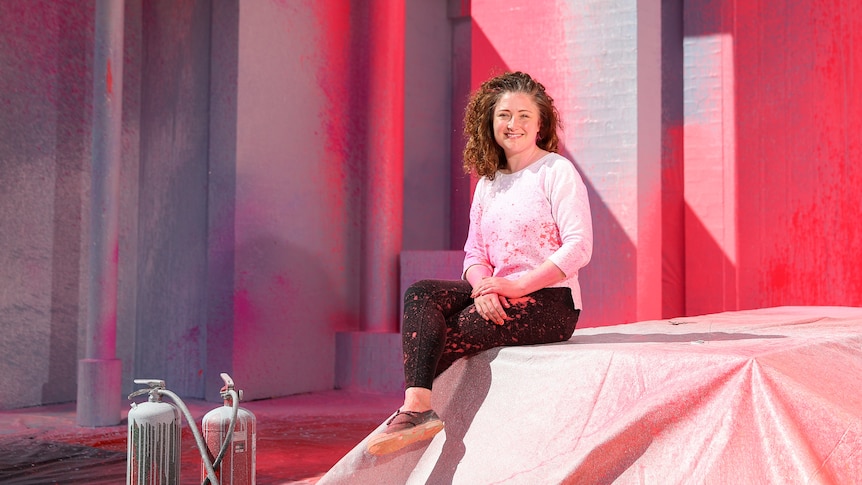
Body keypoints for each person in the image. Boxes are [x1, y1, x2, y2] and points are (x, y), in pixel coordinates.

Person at [367, 71, 593, 456]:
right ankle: (418, 408)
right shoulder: (489, 182)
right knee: (421, 295)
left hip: (550, 303)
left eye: (524, 115)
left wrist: (514, 286)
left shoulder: (556, 171)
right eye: (505, 115)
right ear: (490, 121)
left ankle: (416, 413)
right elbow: (474, 254)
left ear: (541, 123)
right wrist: (483, 287)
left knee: (450, 330)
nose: (513, 124)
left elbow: (579, 247)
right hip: (499, 294)